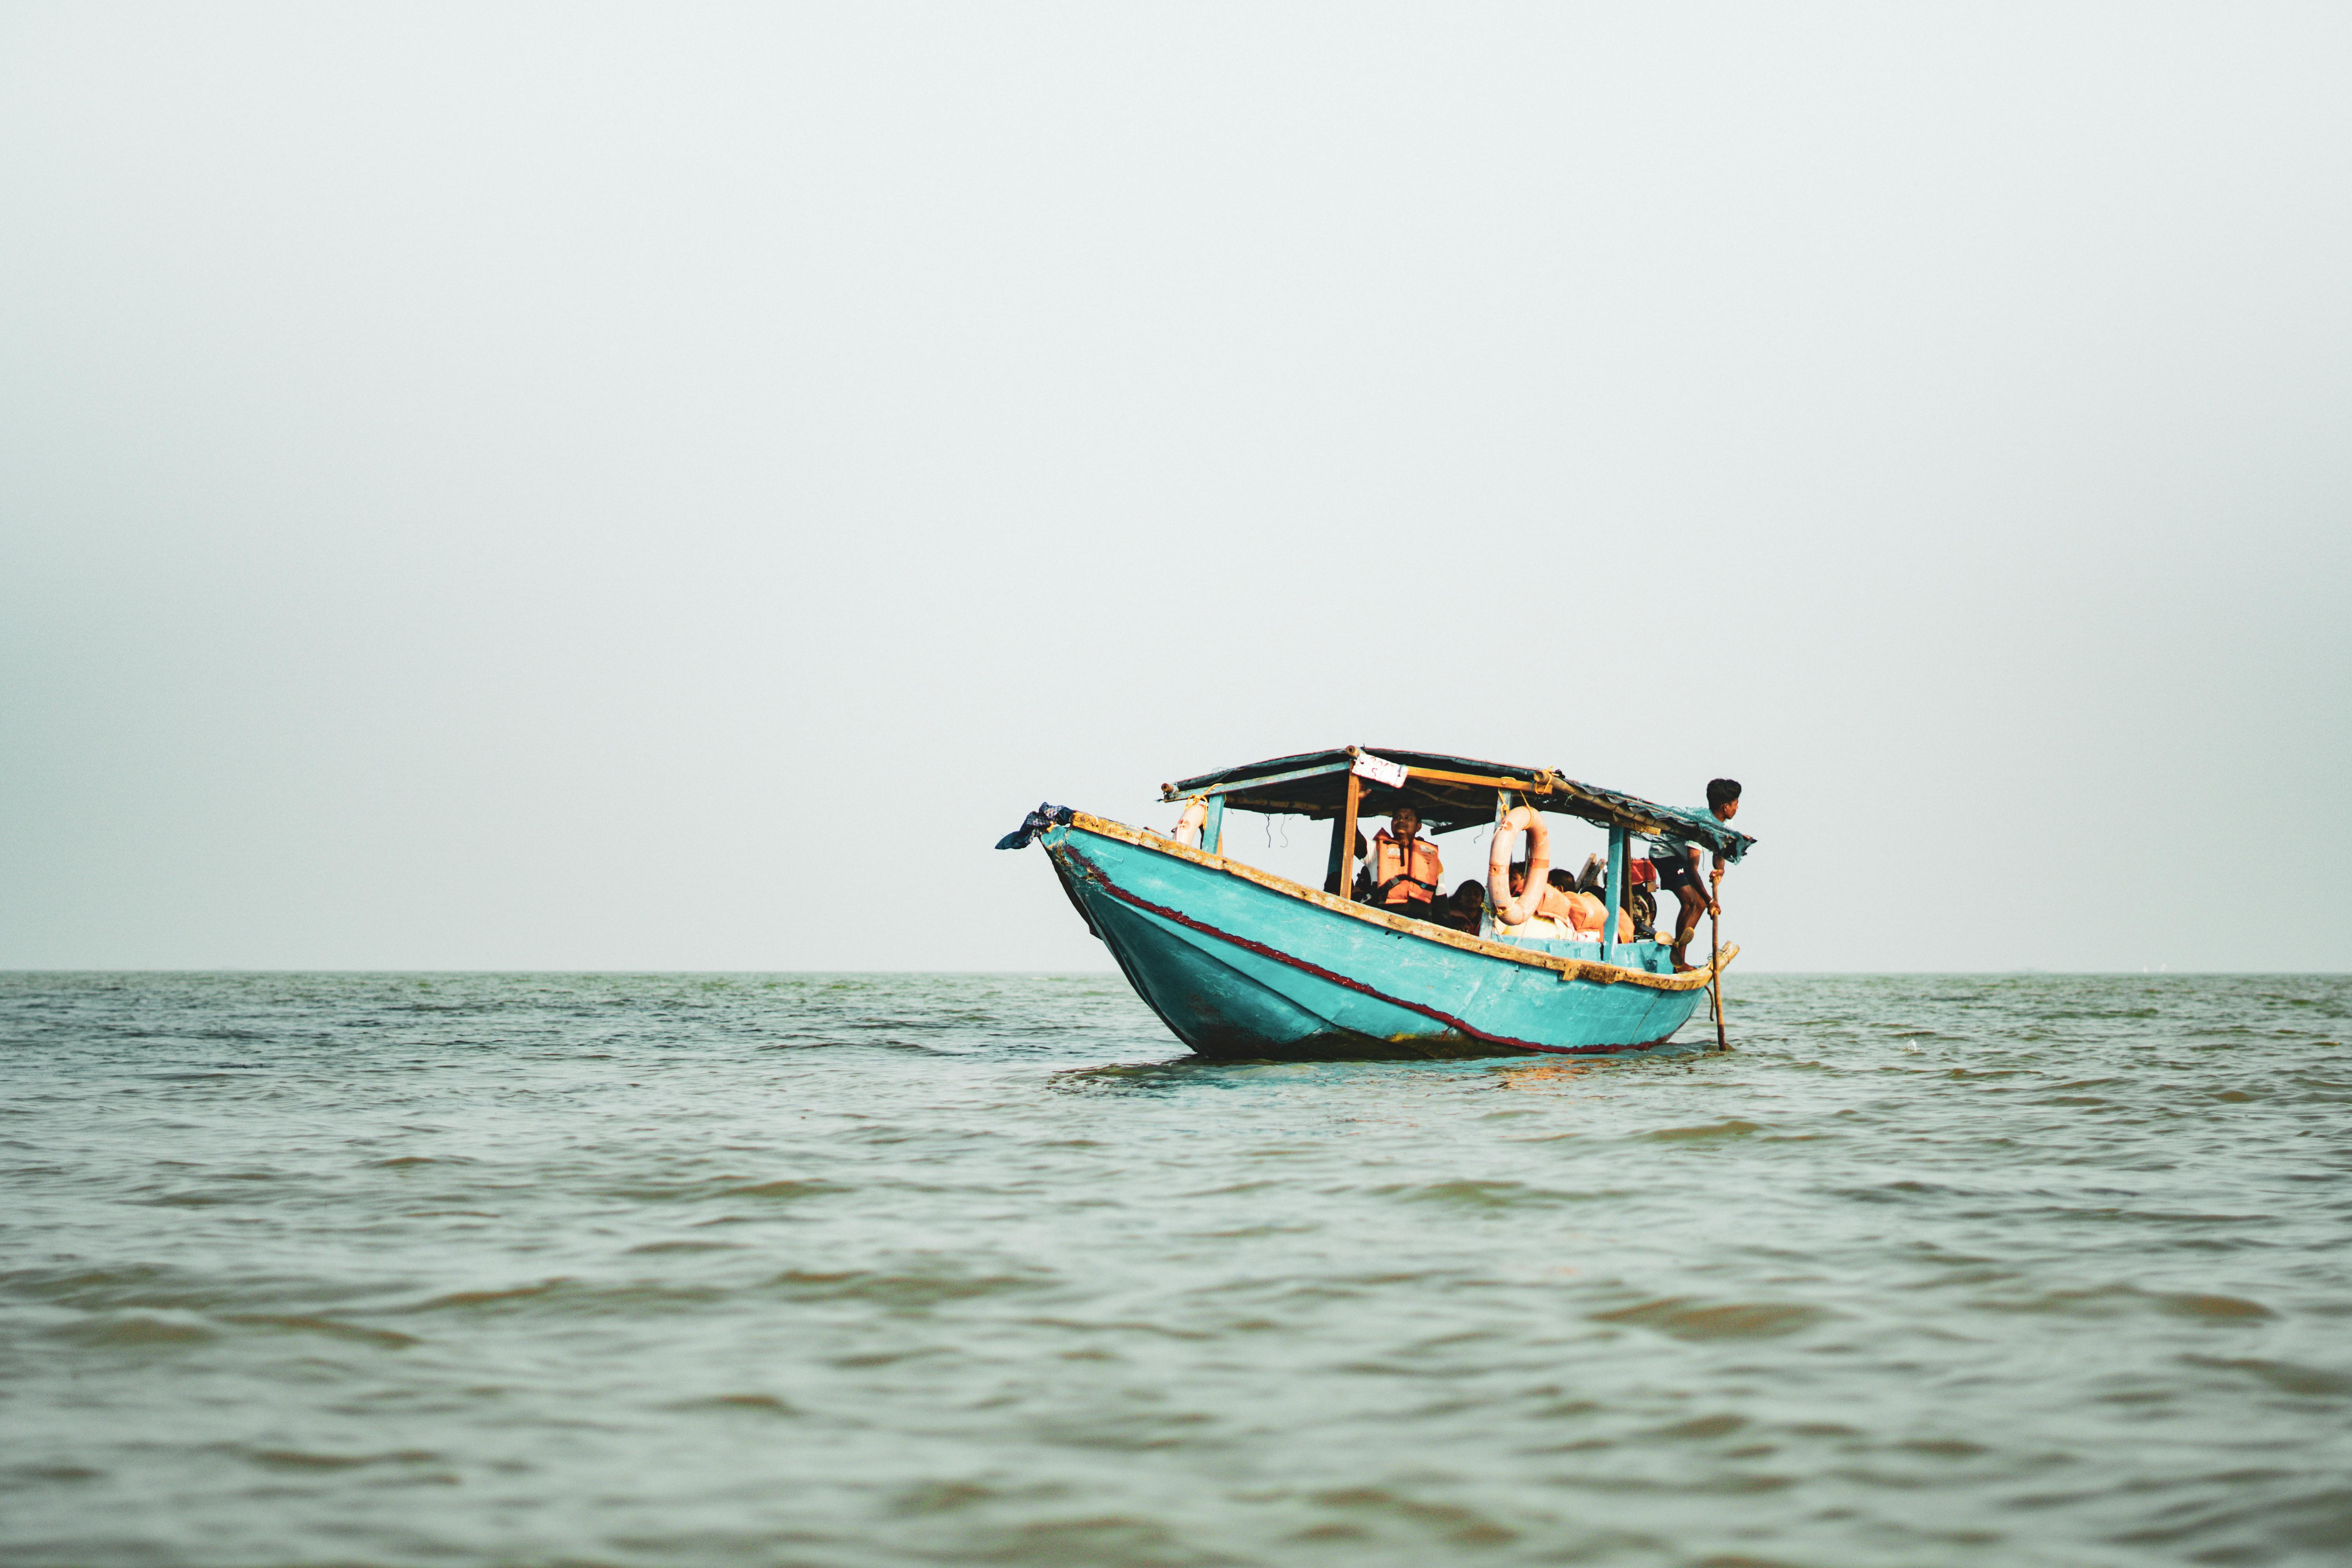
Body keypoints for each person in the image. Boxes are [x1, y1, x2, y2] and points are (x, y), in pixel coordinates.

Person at [1649, 778, 1740, 973]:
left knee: (1698, 904)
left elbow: (1720, 852)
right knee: (1691, 901)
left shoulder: (1725, 823)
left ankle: (1679, 958)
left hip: (1681, 857)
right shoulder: (1701, 827)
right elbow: (1692, 870)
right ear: (1725, 807)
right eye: (1736, 804)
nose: (1737, 808)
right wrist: (1710, 901)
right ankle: (1679, 962)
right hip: (1665, 853)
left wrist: (1720, 869)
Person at [1367, 808, 1443, 916]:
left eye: (1408, 818)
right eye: (1397, 817)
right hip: (1384, 917)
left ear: (1418, 827)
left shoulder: (1432, 860)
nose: (1401, 821)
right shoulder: (1375, 850)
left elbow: (1442, 903)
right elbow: (1352, 837)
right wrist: (1355, 803)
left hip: (1420, 922)